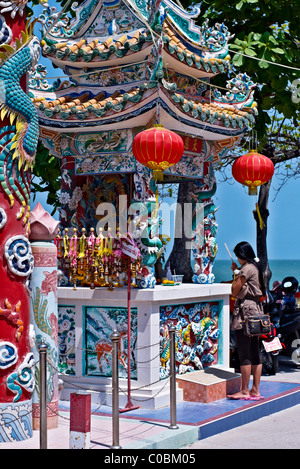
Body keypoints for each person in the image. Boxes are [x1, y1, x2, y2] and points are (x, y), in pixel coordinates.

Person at [228, 241, 266, 400]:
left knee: (244, 352)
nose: (237, 258)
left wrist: (236, 274)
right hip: (256, 309)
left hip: (246, 311)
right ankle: (255, 390)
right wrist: (237, 272)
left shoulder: (246, 268)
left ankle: (244, 390)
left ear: (242, 255)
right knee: (255, 352)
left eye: (238, 255)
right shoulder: (255, 267)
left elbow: (234, 290)